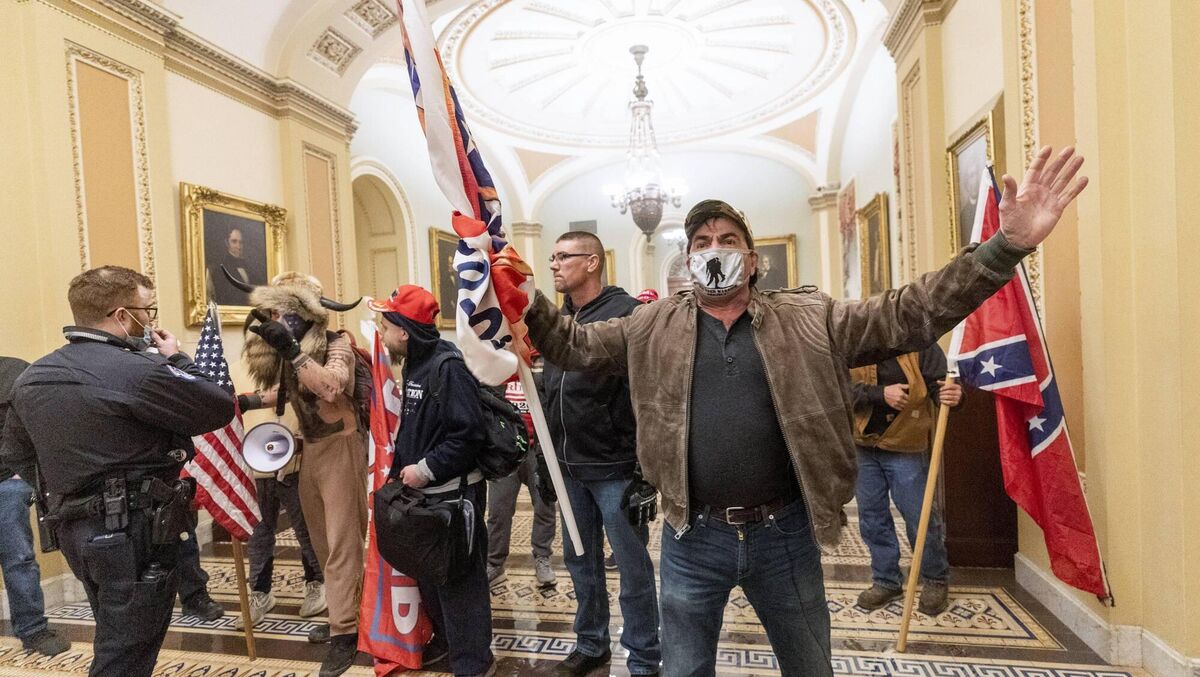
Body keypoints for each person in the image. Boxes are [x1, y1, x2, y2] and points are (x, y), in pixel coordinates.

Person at [521, 145, 1088, 675]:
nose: (712, 247)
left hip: (785, 533)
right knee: (686, 668)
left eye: (726, 237)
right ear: (688, 259)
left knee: (809, 665)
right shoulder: (651, 326)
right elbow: (573, 346)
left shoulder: (810, 318)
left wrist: (1004, 247)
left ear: (752, 258)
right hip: (691, 534)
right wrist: (520, 299)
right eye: (699, 241)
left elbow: (909, 313)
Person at [0, 265, 235, 676]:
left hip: (76, 531)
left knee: (116, 632)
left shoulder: (32, 376)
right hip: (133, 533)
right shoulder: (139, 371)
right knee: (125, 655)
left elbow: (18, 453)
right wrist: (177, 356)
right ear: (123, 315)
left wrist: (70, 489)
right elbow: (217, 405)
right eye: (149, 309)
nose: (152, 320)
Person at [236, 271, 367, 677]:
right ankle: (347, 615)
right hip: (309, 448)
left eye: (288, 310)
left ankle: (345, 633)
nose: (280, 317)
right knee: (322, 542)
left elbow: (331, 386)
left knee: (343, 541)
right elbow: (295, 389)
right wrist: (245, 399)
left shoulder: (336, 343)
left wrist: (293, 351)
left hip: (341, 447)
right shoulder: (296, 350)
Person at [542, 232, 661, 677]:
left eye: (563, 256)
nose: (554, 264)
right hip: (570, 468)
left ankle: (645, 657)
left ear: (592, 262)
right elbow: (552, 393)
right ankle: (591, 644)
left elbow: (646, 397)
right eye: (552, 257)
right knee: (579, 562)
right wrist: (545, 460)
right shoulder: (558, 320)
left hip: (615, 469)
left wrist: (645, 472)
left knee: (632, 569)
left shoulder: (627, 314)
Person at [370, 285, 495, 677]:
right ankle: (447, 643)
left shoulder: (448, 367)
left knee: (460, 582)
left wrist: (425, 469)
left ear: (404, 330)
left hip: (455, 496)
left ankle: (474, 663)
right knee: (431, 574)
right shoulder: (414, 364)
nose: (380, 331)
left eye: (385, 324)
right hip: (425, 497)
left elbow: (468, 434)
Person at [850, 345, 962, 615]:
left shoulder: (921, 345)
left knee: (920, 516)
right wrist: (880, 394)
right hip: (863, 447)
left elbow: (940, 387)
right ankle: (886, 581)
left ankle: (934, 578)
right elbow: (834, 390)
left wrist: (954, 395)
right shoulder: (852, 345)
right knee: (872, 518)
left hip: (906, 446)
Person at [0, 357, 70, 657]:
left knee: (19, 559)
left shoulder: (15, 371)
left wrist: (21, 473)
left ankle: (33, 629)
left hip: (6, 483)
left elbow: (41, 420)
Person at [484, 360, 557, 587]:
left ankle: (542, 557)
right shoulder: (498, 357)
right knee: (498, 510)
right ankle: (495, 564)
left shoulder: (544, 359)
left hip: (539, 449)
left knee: (544, 506)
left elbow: (553, 399)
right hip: (508, 450)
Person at [232, 464, 326, 629]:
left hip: (292, 465)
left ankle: (316, 581)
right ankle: (261, 591)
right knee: (258, 535)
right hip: (255, 468)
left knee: (304, 529)